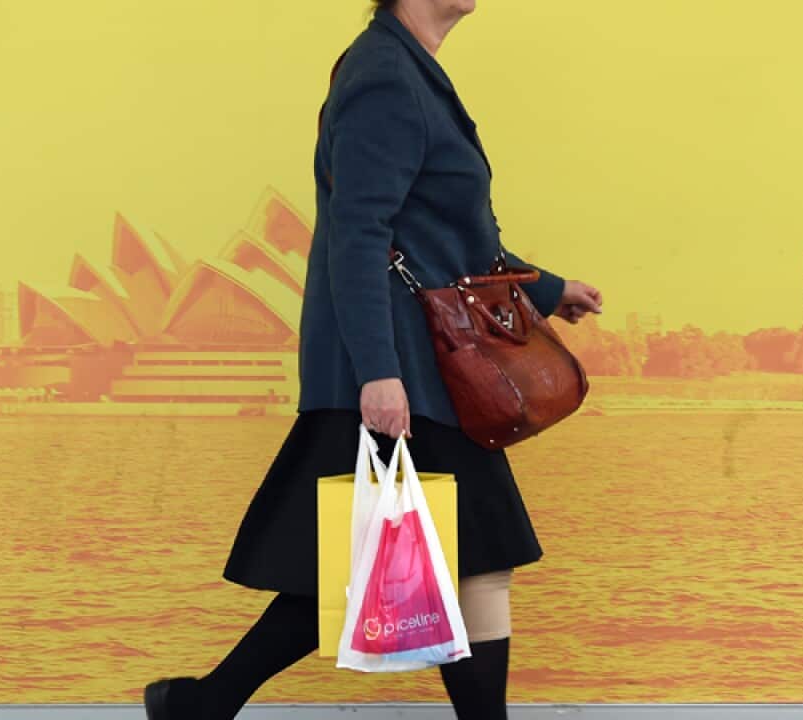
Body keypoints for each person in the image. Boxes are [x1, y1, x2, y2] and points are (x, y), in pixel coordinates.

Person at [143, 1, 603, 718]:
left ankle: (201, 706)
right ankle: (202, 705)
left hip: (427, 370)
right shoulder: (386, 76)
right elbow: (357, 235)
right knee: (464, 557)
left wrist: (550, 288)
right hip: (405, 372)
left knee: (375, 564)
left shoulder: (407, 71)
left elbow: (444, 236)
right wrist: (378, 374)